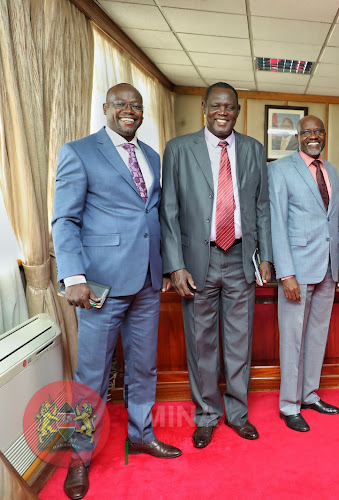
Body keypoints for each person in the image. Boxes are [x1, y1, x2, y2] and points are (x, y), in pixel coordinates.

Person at [52, 83, 181, 500]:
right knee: (92, 375)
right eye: (121, 104)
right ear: (105, 108)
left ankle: (142, 435)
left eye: (136, 106)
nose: (130, 110)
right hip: (98, 285)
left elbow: (153, 217)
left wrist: (161, 266)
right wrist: (73, 277)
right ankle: (79, 457)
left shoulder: (152, 157)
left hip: (146, 281)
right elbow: (65, 220)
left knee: (144, 368)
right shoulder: (79, 151)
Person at [160, 82, 272, 449]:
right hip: (197, 263)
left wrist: (266, 257)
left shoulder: (254, 149)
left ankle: (237, 414)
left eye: (230, 107)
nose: (223, 112)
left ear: (238, 111)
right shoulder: (178, 149)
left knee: (240, 342)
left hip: (241, 257)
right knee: (201, 342)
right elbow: (169, 211)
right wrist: (175, 265)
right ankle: (206, 414)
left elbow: (261, 208)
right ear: (204, 108)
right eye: (216, 106)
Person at [269, 115, 339, 432]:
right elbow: (276, 222)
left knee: (316, 337)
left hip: (327, 268)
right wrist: (285, 273)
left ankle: (310, 394)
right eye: (307, 132)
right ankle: (289, 405)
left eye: (318, 131)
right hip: (297, 271)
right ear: (297, 136)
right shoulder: (280, 169)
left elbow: (335, 223)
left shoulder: (332, 171)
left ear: (324, 135)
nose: (313, 136)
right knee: (292, 341)